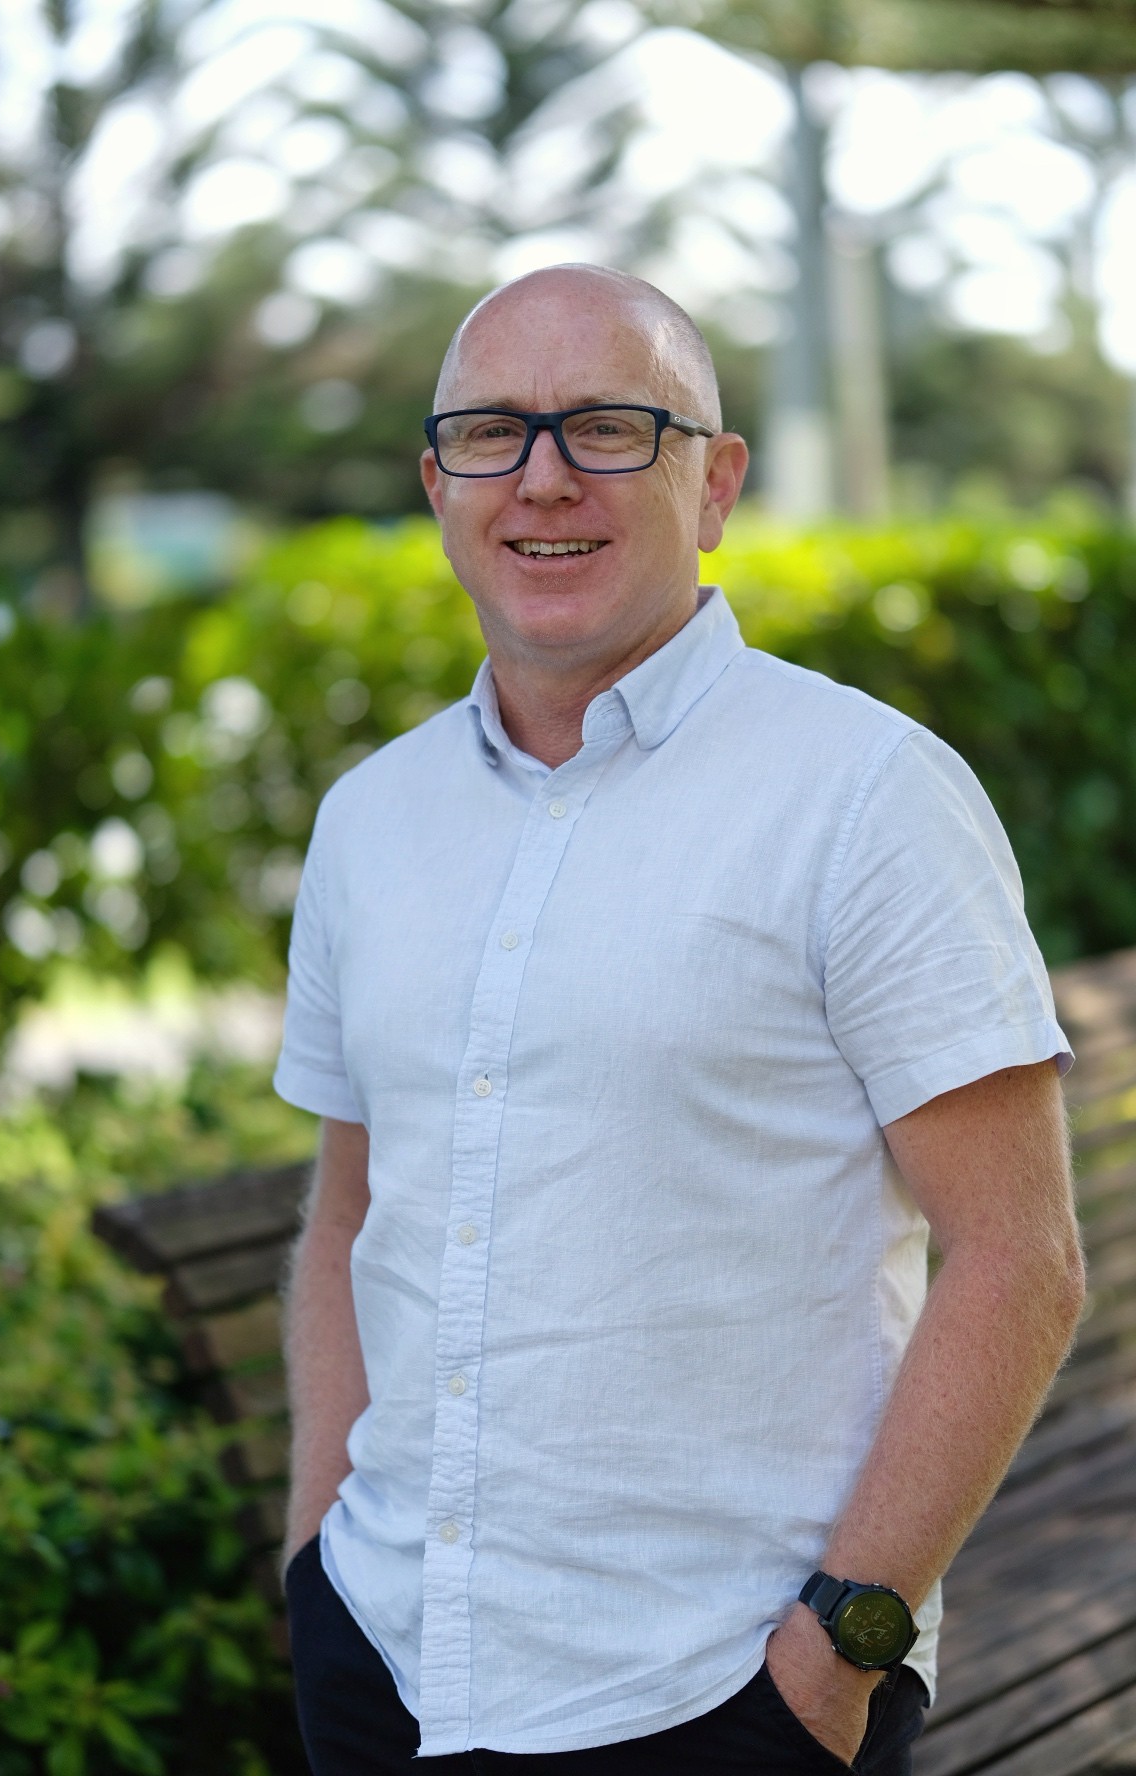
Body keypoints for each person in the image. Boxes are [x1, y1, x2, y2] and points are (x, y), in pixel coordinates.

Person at [273, 264, 1085, 1776]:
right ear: (436, 483)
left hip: (724, 1695)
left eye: (607, 427)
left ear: (715, 485)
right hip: (385, 1661)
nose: (543, 479)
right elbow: (350, 1217)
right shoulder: (368, 821)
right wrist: (319, 1548)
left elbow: (1020, 1260)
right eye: (492, 434)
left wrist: (838, 1653)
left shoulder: (868, 796)